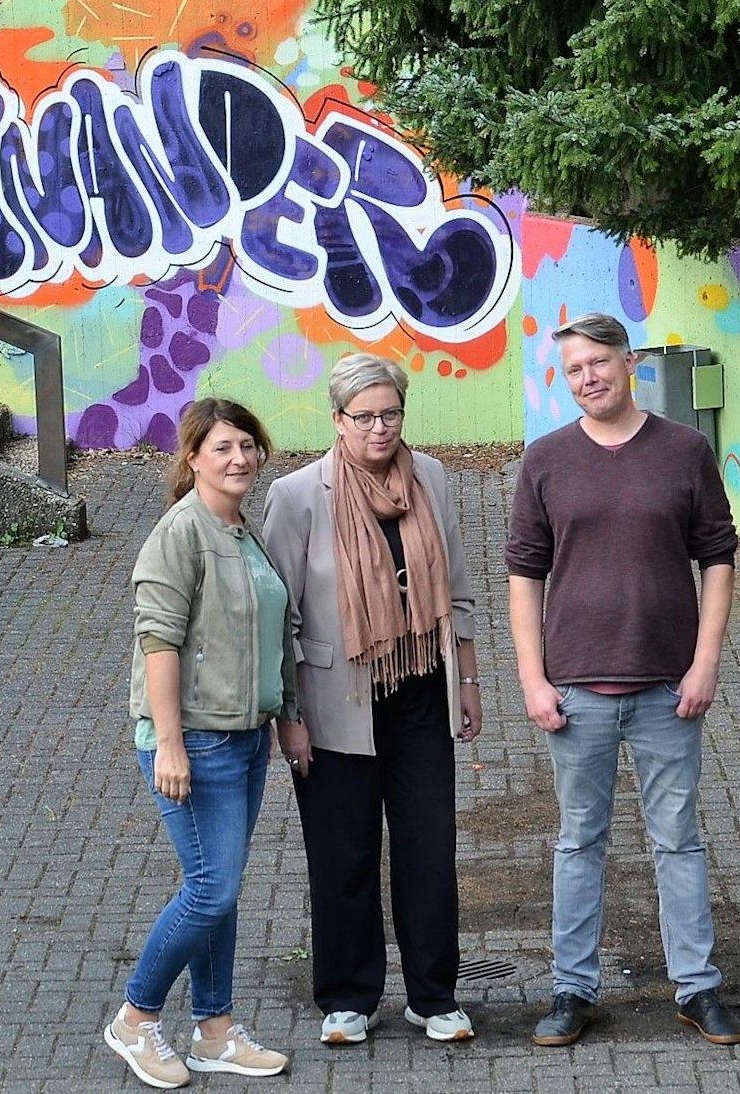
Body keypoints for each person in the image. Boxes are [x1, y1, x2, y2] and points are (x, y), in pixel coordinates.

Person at [506, 312, 740, 1048]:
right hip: (574, 688)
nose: (588, 378)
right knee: (579, 842)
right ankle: (573, 990)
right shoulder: (546, 459)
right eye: (574, 369)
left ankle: (697, 987)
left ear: (629, 361)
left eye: (599, 363)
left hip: (668, 687)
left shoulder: (684, 450)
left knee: (678, 840)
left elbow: (718, 559)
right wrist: (532, 678)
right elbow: (524, 574)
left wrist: (705, 662)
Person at [263, 352, 484, 1045]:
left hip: (420, 692)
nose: (380, 427)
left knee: (428, 847)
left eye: (391, 413)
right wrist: (288, 717)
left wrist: (468, 680)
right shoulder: (298, 495)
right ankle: (348, 997)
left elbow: (458, 587)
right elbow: (278, 617)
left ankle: (433, 995)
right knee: (343, 851)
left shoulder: (432, 477)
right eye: (365, 417)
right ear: (337, 419)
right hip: (335, 700)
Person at [103, 398, 292, 1090]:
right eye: (222, 448)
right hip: (197, 742)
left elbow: (271, 632)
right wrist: (170, 745)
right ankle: (135, 1018)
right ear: (193, 459)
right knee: (211, 888)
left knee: (221, 887)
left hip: (245, 737)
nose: (240, 458)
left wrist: (285, 714)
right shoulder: (180, 533)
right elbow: (158, 642)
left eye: (248, 445)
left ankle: (215, 1032)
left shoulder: (241, 528)